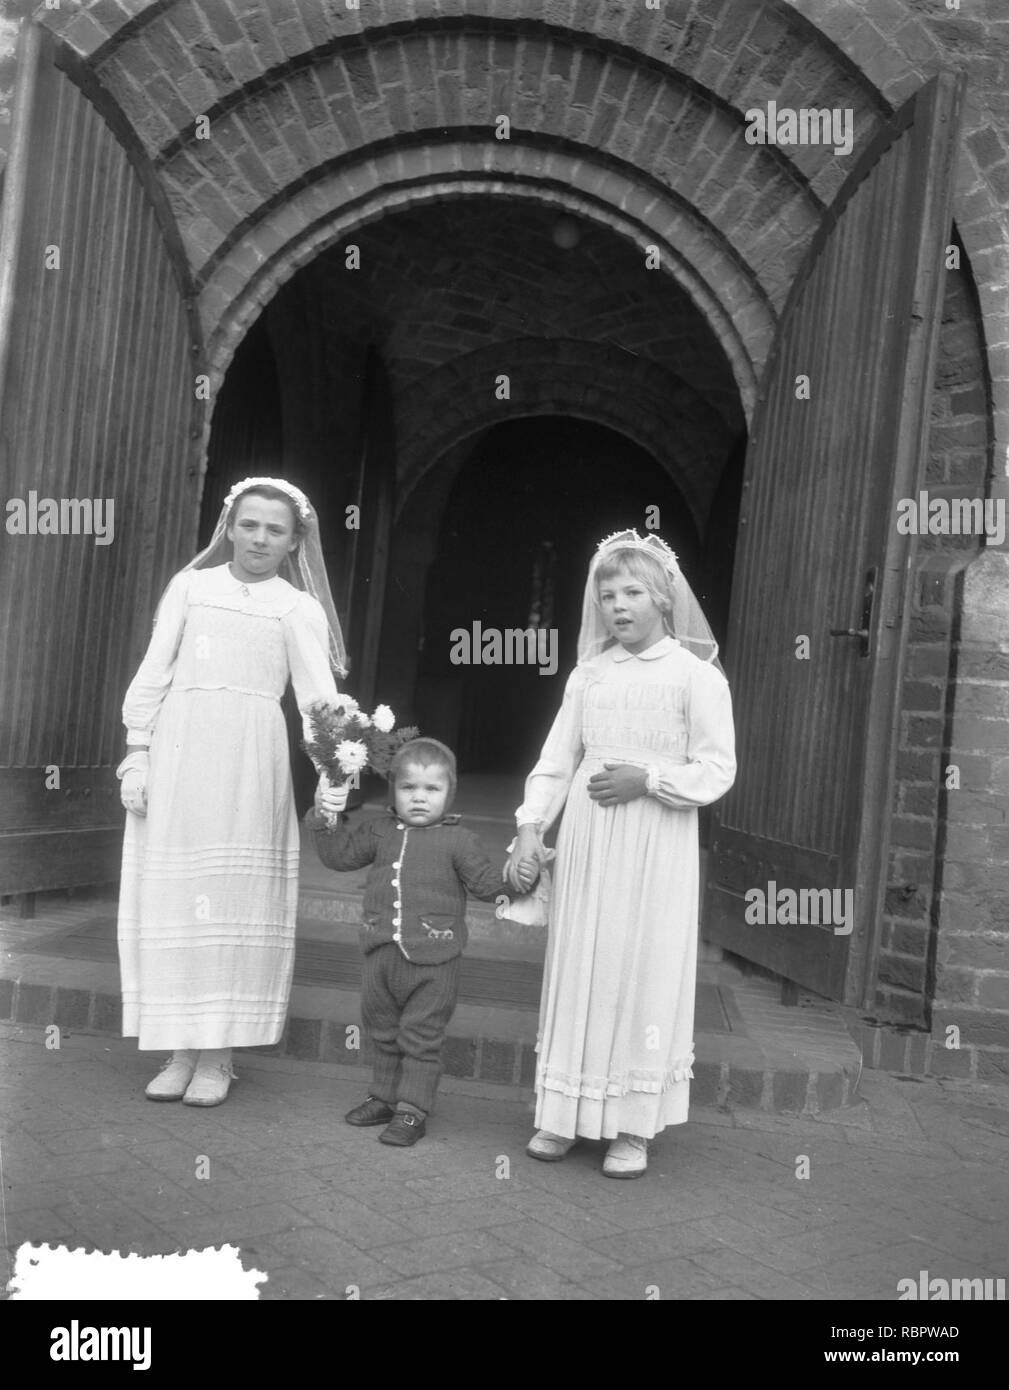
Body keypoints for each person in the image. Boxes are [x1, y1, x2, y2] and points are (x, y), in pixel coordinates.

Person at [505, 529, 736, 1178]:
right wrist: (531, 825)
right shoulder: (590, 674)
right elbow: (557, 759)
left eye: (633, 592)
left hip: (655, 839)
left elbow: (716, 769)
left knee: (642, 966)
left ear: (664, 598)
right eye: (607, 596)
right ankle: (562, 1113)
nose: (618, 606)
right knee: (584, 961)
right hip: (589, 836)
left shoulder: (695, 678)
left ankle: (631, 1127)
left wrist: (652, 781)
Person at [116, 477, 346, 1106]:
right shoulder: (191, 589)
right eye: (250, 525)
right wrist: (138, 754)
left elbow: (318, 701)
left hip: (251, 762)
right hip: (182, 752)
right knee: (180, 896)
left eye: (275, 530)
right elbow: (154, 671)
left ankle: (217, 1057)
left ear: (294, 540)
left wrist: (334, 770)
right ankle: (178, 1049)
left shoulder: (297, 608)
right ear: (230, 526)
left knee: (234, 899)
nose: (260, 539)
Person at [309, 738, 531, 1146]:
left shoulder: (459, 841)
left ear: (450, 794)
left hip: (434, 961)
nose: (419, 798)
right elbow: (339, 857)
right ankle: (384, 1097)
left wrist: (519, 880)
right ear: (394, 789)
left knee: (421, 1037)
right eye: (409, 788)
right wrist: (327, 817)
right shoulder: (379, 831)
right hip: (380, 954)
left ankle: (412, 1110)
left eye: (432, 790)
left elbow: (486, 886)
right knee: (382, 1031)